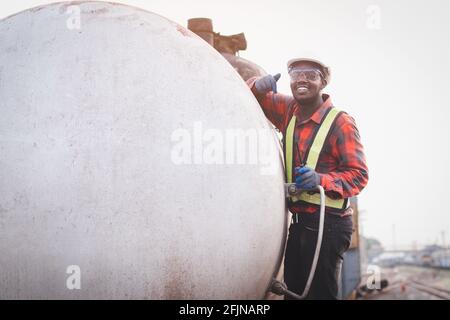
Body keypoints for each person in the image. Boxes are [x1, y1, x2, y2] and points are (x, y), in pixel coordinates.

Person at [247, 58, 369, 299]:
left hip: (330, 225)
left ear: (323, 81)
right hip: (300, 224)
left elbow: (359, 175)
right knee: (294, 293)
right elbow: (246, 96)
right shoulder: (288, 110)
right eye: (296, 74)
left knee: (319, 296)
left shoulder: (340, 122)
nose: (302, 79)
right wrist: (256, 86)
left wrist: (320, 181)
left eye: (311, 75)